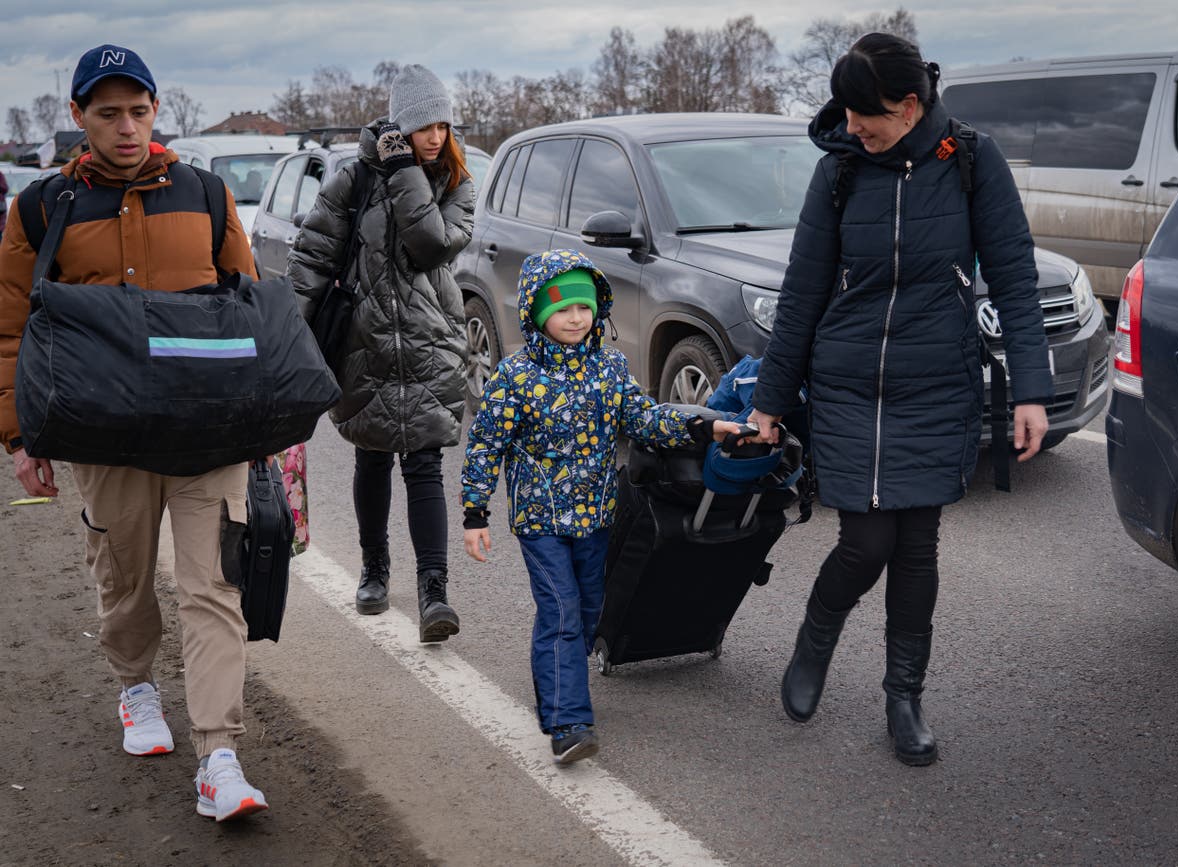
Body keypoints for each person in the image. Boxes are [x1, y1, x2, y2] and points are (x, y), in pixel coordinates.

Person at [747, 33, 1051, 766]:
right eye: (847, 113)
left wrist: (1032, 391)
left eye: (867, 114)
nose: (854, 126)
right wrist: (771, 398)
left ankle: (903, 696)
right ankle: (817, 634)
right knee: (866, 541)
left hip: (936, 381)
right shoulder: (840, 173)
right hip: (849, 382)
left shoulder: (973, 161)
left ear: (910, 106)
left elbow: (1013, 275)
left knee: (917, 546)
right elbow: (802, 291)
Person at [0, 44, 270, 820]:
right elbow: (11, 326)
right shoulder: (42, 208)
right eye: (108, 112)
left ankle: (219, 755)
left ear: (157, 112)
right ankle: (137, 688)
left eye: (139, 110)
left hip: (204, 435)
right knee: (122, 578)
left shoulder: (209, 195)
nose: (126, 126)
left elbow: (249, 314)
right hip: (104, 437)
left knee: (213, 586)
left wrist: (259, 420)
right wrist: (20, 438)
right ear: (79, 116)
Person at [461, 249, 742, 762]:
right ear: (536, 311)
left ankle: (559, 687)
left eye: (584, 308)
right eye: (562, 308)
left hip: (595, 517)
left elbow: (645, 419)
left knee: (590, 609)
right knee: (562, 611)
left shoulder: (610, 368)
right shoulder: (516, 377)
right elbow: (485, 445)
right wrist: (474, 512)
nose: (575, 318)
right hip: (539, 520)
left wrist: (706, 426)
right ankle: (569, 722)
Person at [288, 64, 474, 641]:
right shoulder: (352, 180)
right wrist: (287, 341)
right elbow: (314, 258)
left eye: (442, 124)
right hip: (362, 342)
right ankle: (374, 569)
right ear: (400, 123)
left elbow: (430, 246)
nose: (436, 137)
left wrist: (403, 171)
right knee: (371, 459)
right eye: (423, 125)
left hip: (429, 342)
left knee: (423, 464)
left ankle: (434, 592)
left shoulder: (455, 182)